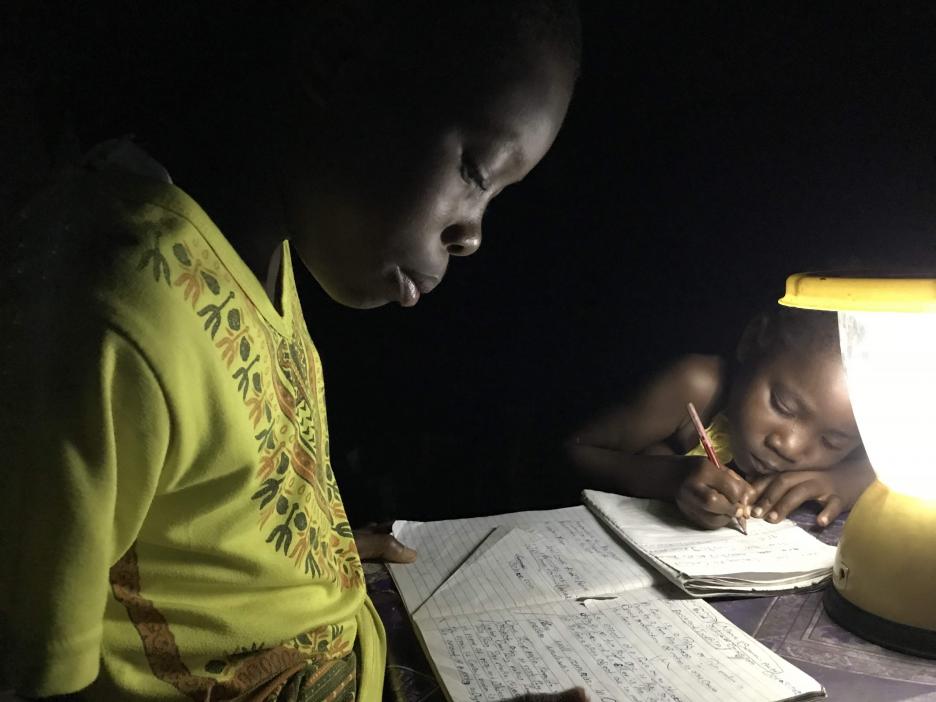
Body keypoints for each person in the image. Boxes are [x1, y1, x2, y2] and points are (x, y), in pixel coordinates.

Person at [0, 3, 585, 700]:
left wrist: (320, 554)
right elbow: (37, 678)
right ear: (334, 63)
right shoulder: (111, 311)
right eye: (475, 172)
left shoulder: (254, 247)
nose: (473, 235)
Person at [567, 306, 875, 530]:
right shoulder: (696, 387)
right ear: (754, 340)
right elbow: (568, 454)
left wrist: (844, 480)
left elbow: (892, 472)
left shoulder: (863, 431)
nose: (790, 447)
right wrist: (669, 477)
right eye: (783, 406)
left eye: (831, 440)